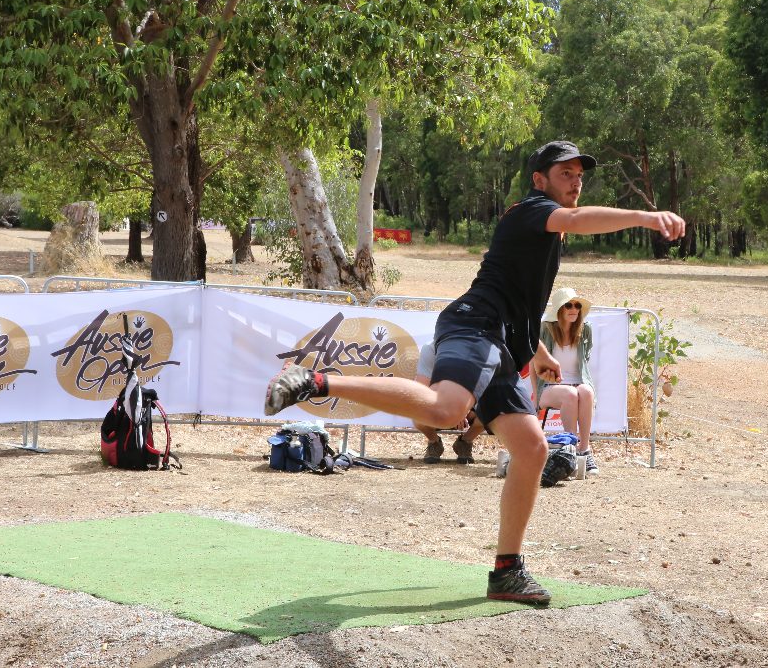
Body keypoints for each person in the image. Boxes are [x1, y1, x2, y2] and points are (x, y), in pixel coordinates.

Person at [264, 140, 685, 605]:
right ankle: (315, 380)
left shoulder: (541, 227)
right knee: (447, 409)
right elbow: (577, 222)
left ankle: (506, 572)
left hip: (501, 343)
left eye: (579, 173)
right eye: (565, 172)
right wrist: (646, 217)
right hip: (474, 324)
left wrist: (536, 352)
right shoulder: (533, 210)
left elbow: (516, 297)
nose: (576, 179)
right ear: (539, 180)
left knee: (531, 447)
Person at [533, 287, 599, 475]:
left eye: (577, 305)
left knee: (586, 391)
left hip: (578, 383)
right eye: (569, 305)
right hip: (549, 386)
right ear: (559, 309)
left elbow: (585, 363)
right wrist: (534, 397)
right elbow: (533, 364)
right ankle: (570, 450)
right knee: (570, 393)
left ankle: (584, 451)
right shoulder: (545, 329)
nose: (574, 309)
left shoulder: (585, 330)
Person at [413, 342, 484, 464]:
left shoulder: (480, 349)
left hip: (469, 408)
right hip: (440, 407)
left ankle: (465, 442)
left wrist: (463, 409)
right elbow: (422, 391)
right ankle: (434, 442)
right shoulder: (430, 350)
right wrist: (450, 408)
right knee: (417, 416)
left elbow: (483, 388)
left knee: (490, 413)